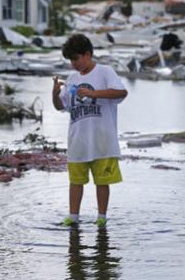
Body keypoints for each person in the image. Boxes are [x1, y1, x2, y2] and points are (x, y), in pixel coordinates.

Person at [52, 34, 128, 228]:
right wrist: (55, 94)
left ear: (87, 54)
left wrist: (93, 93)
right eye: (70, 60)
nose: (73, 64)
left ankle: (101, 218)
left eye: (76, 59)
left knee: (102, 182)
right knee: (75, 182)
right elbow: (60, 106)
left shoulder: (105, 72)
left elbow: (121, 92)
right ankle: (73, 217)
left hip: (102, 140)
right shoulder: (72, 78)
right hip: (78, 140)